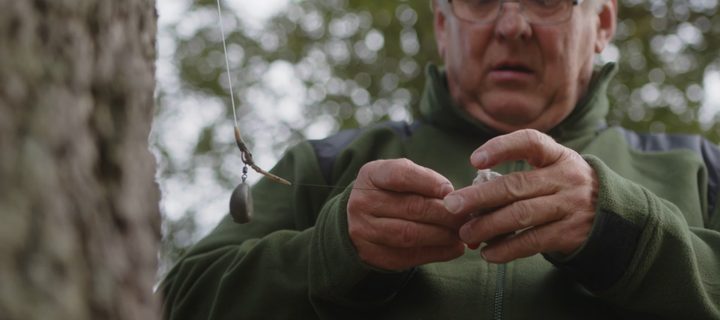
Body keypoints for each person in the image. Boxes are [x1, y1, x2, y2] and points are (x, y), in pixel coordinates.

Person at [161, 0, 720, 318]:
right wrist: (334, 252)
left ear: (601, 24)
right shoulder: (329, 164)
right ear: (442, 24)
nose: (510, 25)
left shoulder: (698, 169)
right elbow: (180, 300)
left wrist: (629, 238)